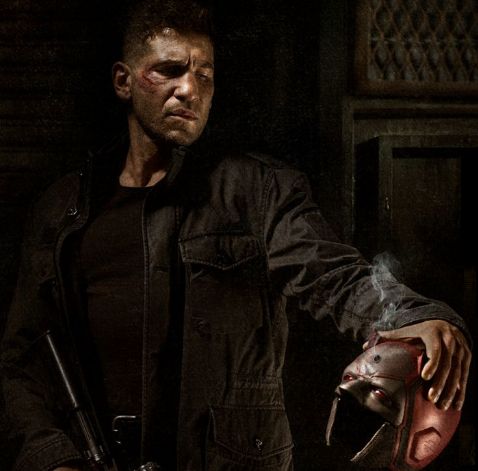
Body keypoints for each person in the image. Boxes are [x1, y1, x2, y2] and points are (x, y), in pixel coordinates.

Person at [0, 1, 472, 470]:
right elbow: (23, 358)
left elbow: (333, 276)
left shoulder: (258, 191)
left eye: (204, 75)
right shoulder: (64, 210)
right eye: (169, 70)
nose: (189, 89)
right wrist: (53, 460)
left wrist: (414, 315)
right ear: (123, 81)